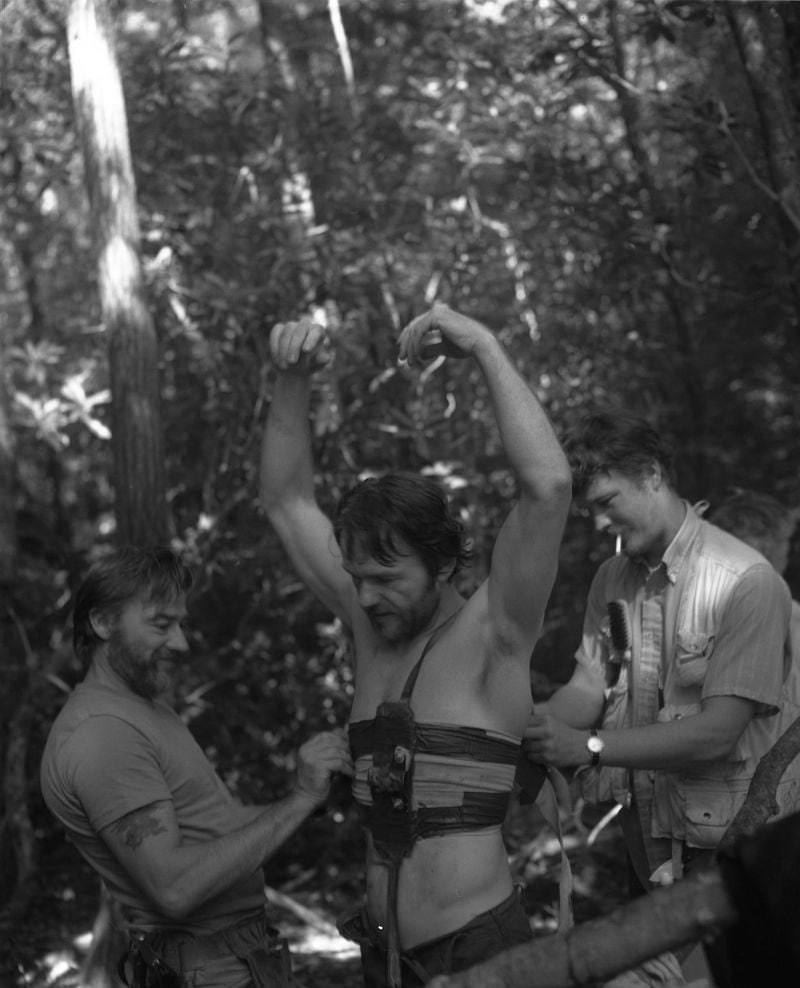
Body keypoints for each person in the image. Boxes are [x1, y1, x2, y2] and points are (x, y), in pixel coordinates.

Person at [259, 302, 572, 986]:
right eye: (355, 579)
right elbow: (286, 502)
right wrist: (291, 377)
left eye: (386, 578)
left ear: (443, 562)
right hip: (384, 958)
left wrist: (485, 346)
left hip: (480, 954)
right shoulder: (370, 621)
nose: (366, 598)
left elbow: (547, 487)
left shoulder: (498, 630)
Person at [523, 412, 794, 986]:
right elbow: (585, 690)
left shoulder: (747, 580)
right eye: (588, 511)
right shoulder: (610, 581)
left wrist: (588, 747)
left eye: (606, 502)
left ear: (650, 474)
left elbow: (718, 732)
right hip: (646, 852)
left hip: (729, 861)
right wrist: (519, 727)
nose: (598, 523)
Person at [40, 545, 353, 988]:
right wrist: (298, 801)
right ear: (103, 621)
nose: (182, 642)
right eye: (161, 625)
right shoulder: (102, 735)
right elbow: (176, 889)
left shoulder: (142, 711)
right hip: (207, 972)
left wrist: (310, 798)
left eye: (180, 623)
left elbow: (212, 828)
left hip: (231, 961)